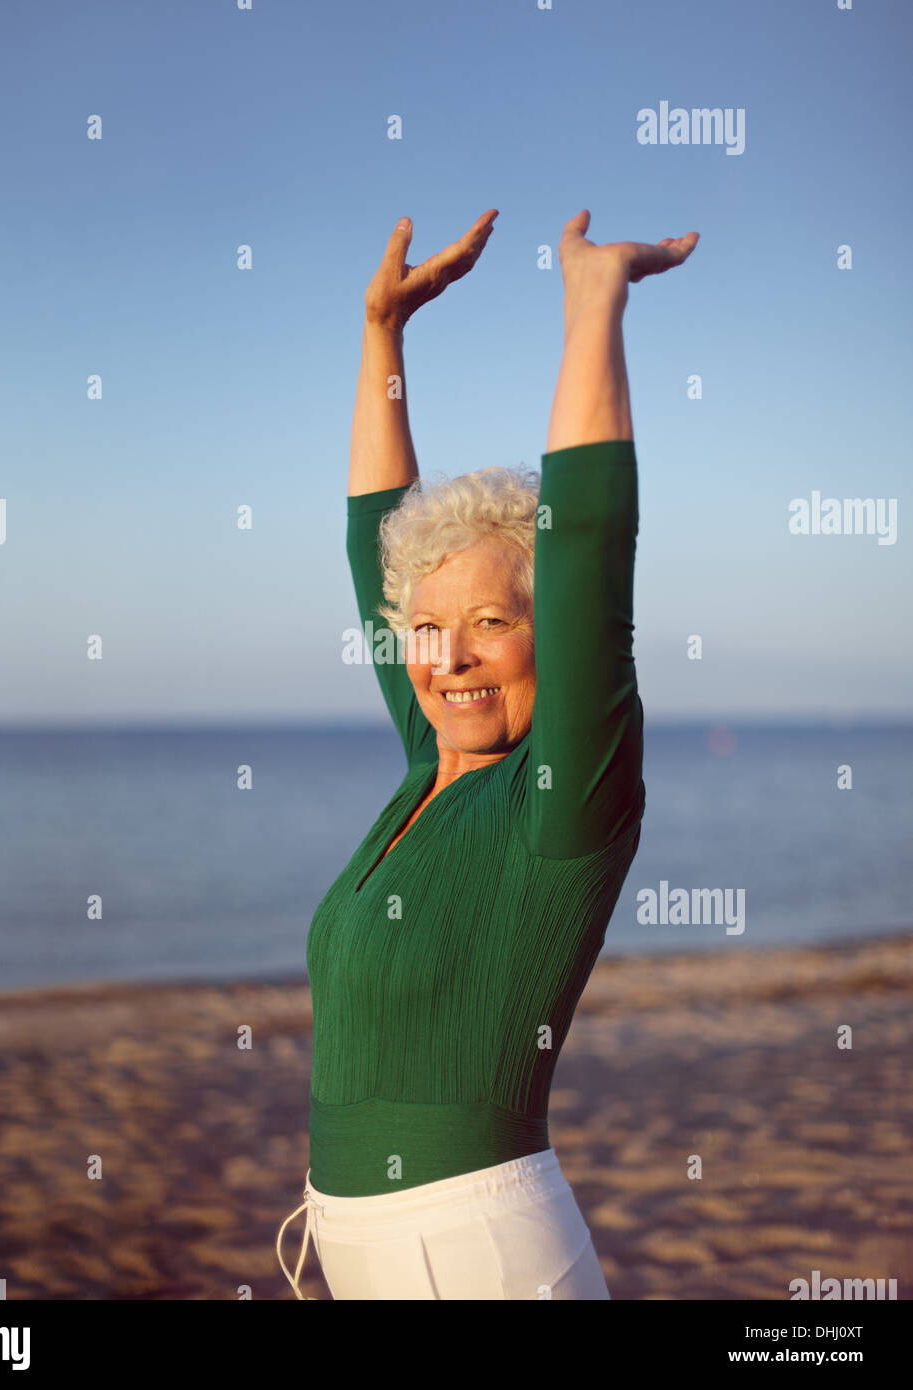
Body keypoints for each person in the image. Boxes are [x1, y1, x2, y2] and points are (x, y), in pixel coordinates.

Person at [276, 207, 699, 1299]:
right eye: (426, 628)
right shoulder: (430, 766)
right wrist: (382, 333)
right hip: (362, 1254)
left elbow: (589, 547)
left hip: (480, 1259)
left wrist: (593, 304)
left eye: (493, 623)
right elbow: (374, 537)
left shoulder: (562, 799)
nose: (449, 657)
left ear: (551, 635)